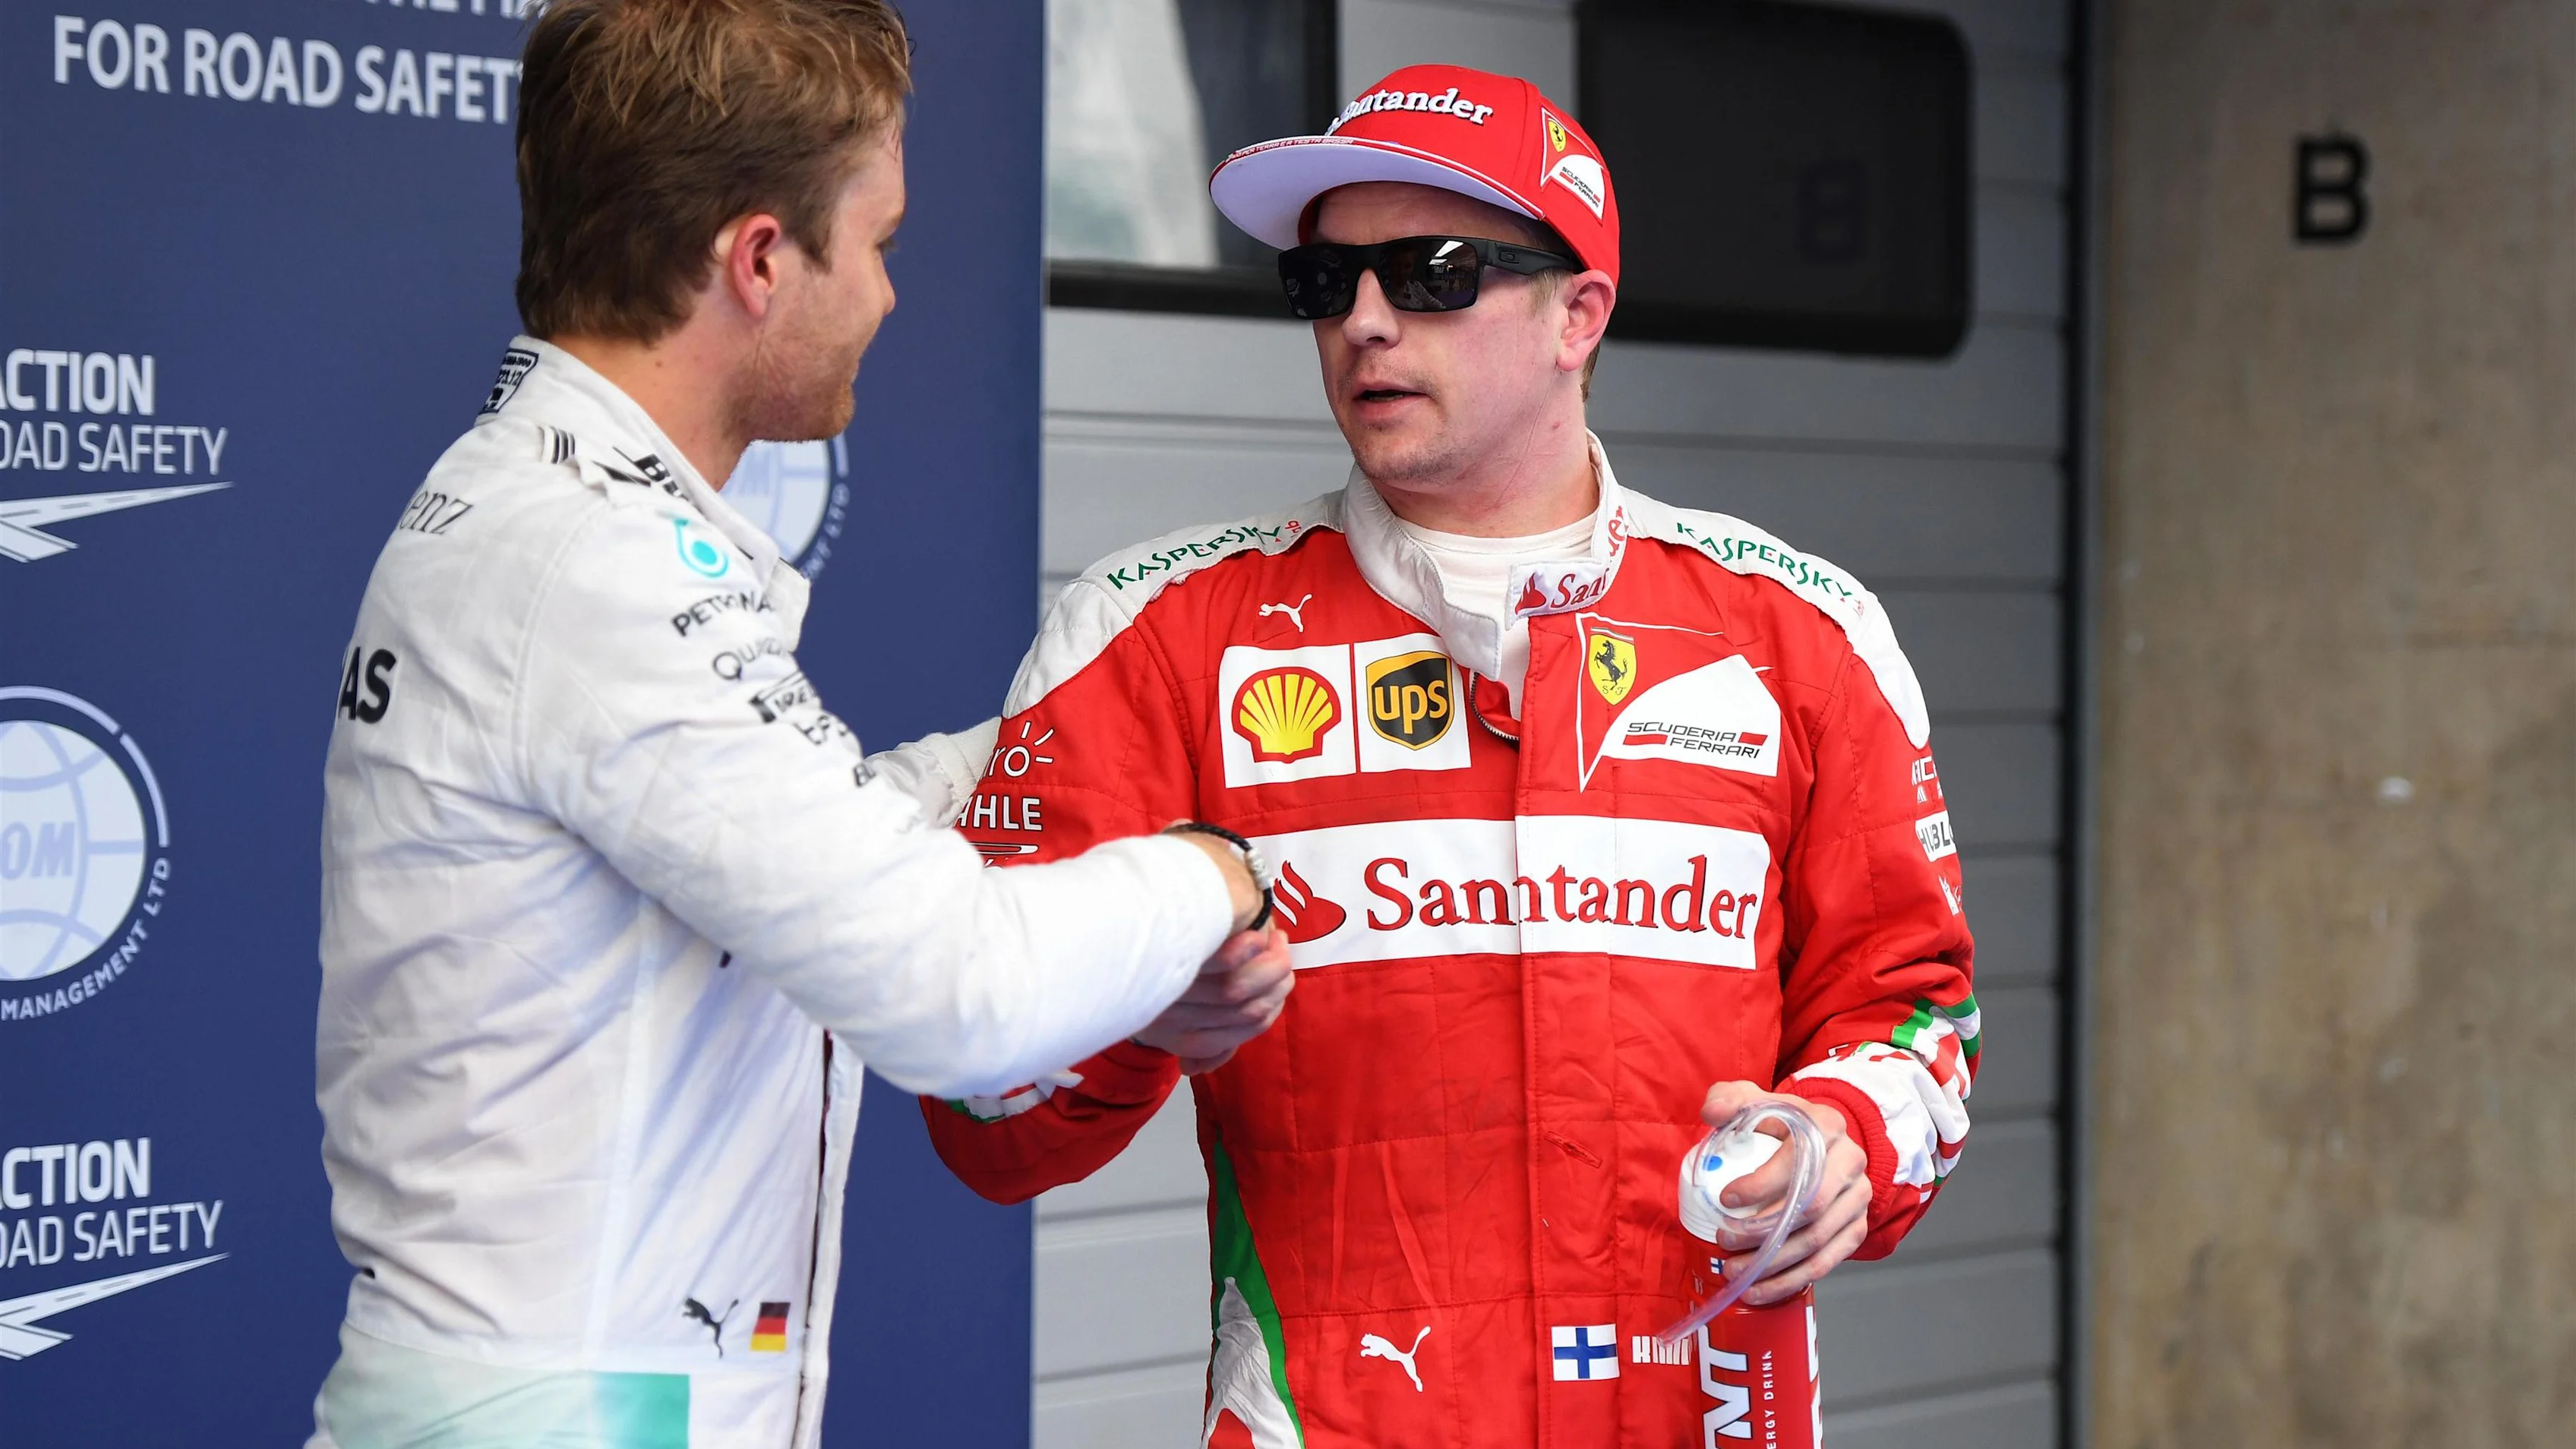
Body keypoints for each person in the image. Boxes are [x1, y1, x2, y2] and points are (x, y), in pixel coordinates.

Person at [911, 65, 1981, 1447]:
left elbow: (1914, 1010)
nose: (1363, 321)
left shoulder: (1799, 631)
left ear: (1577, 316)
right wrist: (1141, 1027)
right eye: (1325, 281)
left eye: (1433, 273)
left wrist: (1844, 1142)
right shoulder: (1159, 634)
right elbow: (984, 1104)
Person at [306, 4, 1291, 1446]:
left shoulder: (556, 518)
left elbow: (783, 849)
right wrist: (1216, 863)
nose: (892, 295)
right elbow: (960, 990)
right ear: (759, 261)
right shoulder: (586, 565)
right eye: (877, 241)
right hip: (565, 1416)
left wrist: (1056, 742)